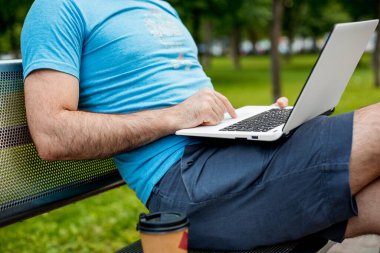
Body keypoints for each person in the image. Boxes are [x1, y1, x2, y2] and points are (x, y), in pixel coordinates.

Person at [21, 0, 380, 250]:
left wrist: (244, 118)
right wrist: (175, 116)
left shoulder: (159, 6)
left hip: (230, 156)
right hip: (187, 184)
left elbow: (194, 100)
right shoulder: (58, 7)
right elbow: (52, 135)